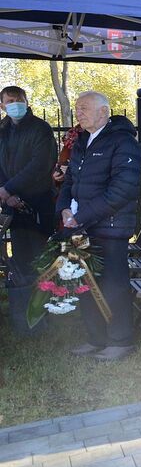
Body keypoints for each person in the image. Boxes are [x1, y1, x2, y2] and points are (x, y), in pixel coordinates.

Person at [59, 91, 141, 361]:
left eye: (84, 108)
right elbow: (70, 180)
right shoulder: (83, 140)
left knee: (113, 286)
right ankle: (95, 338)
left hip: (110, 228)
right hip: (83, 228)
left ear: (104, 113)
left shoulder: (123, 142)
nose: (79, 112)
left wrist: (79, 216)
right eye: (77, 108)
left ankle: (120, 341)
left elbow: (122, 190)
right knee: (86, 285)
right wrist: (63, 209)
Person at [0, 86, 57, 333]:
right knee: (21, 258)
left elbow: (40, 164)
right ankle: (25, 312)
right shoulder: (2, 130)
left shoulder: (40, 129)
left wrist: (10, 188)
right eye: (9, 101)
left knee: (40, 258)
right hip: (11, 204)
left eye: (19, 100)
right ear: (2, 105)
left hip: (37, 203)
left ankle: (45, 313)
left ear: (26, 101)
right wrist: (5, 191)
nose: (15, 104)